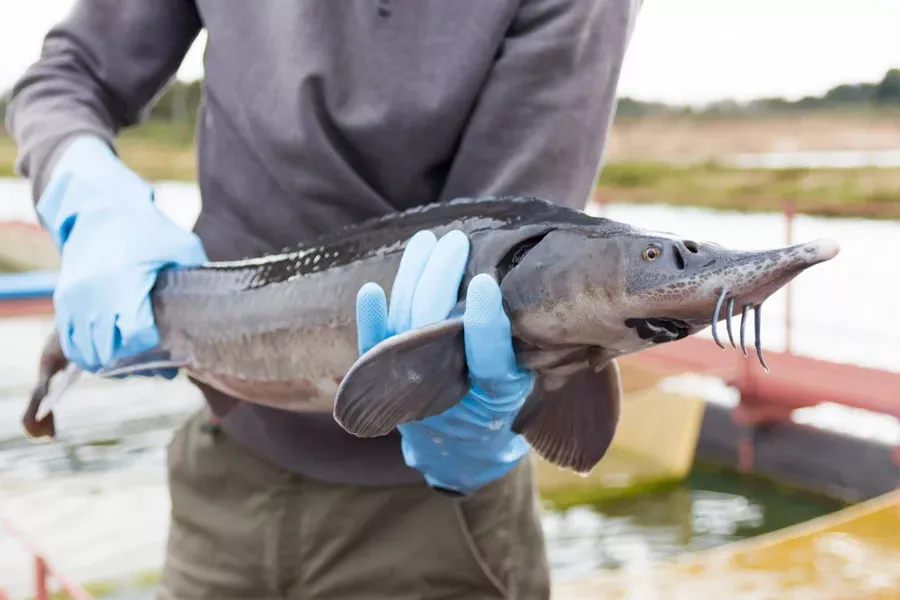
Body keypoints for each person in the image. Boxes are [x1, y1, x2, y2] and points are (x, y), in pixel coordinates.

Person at [5, 1, 642, 598]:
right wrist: (86, 196)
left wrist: (478, 418)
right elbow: (66, 78)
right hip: (224, 467)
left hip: (437, 524)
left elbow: (512, 254)